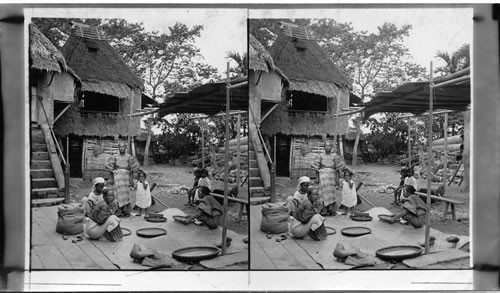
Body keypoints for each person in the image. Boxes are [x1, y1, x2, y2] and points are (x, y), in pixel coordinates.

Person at [311, 142, 353, 215]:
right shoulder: (320, 156)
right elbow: (315, 166)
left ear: (331, 148)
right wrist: (317, 177)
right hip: (323, 177)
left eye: (329, 146)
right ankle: (324, 210)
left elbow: (341, 166)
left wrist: (350, 170)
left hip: (332, 177)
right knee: (323, 194)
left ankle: (331, 210)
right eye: (326, 146)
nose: (327, 147)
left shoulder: (335, 156)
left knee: (331, 194)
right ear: (324, 147)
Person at [105, 142, 139, 217]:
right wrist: (112, 171)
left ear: (125, 148)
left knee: (126, 195)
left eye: (123, 147)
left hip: (126, 177)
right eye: (120, 147)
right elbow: (108, 165)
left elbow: (134, 166)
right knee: (118, 195)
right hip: (118, 178)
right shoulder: (115, 156)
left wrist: (131, 175)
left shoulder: (129, 157)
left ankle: (126, 211)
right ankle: (118, 211)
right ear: (118, 148)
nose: (122, 148)